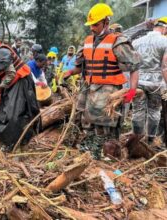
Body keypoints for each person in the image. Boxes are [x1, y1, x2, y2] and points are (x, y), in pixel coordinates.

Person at [64, 3, 140, 158]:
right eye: (91, 25)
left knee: (106, 126)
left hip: (109, 90)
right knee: (87, 123)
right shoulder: (87, 41)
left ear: (106, 22)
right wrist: (70, 72)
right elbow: (80, 67)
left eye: (96, 24)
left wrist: (131, 91)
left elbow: (134, 67)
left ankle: (107, 154)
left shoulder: (117, 42)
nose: (92, 28)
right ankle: (91, 151)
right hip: (90, 88)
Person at [131, 17, 167, 144]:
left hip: (138, 81)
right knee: (154, 111)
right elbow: (164, 67)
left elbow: (133, 65)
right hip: (156, 83)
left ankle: (136, 139)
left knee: (137, 110)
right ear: (164, 28)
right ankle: (150, 139)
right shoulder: (165, 41)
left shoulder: (137, 42)